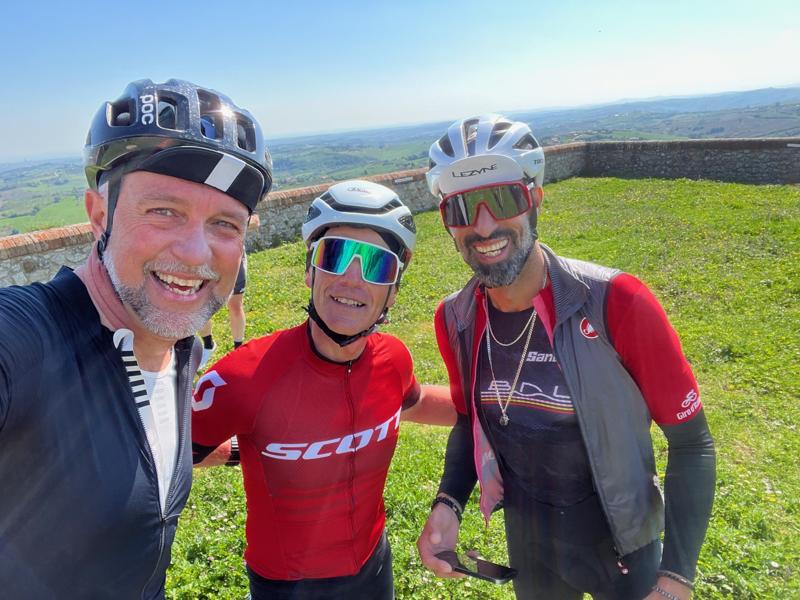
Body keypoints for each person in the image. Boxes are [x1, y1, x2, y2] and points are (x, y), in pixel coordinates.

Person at [415, 114, 716, 600]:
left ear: (534, 198)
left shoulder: (617, 301)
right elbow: (469, 419)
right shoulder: (456, 318)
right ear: (448, 223)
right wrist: (449, 502)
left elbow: (692, 442)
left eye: (506, 198)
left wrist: (677, 576)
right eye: (463, 208)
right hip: (529, 544)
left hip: (623, 550)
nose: (484, 224)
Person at [0, 78, 272, 599]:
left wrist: (242, 452)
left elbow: (133, 442)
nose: (195, 254)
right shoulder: (26, 341)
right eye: (164, 211)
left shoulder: (178, 354)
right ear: (99, 215)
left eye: (225, 224)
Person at [191, 180, 455, 600]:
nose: (352, 279)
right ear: (309, 270)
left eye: (377, 265)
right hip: (287, 585)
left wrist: (503, 407)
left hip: (374, 564)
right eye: (335, 256)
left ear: (394, 291)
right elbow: (161, 457)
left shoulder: (395, 360)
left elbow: (417, 402)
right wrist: (243, 450)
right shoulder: (243, 376)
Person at [198, 253, 248, 368]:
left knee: (235, 306)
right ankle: (208, 344)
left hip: (233, 257)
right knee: (200, 307)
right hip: (204, 257)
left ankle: (238, 350)